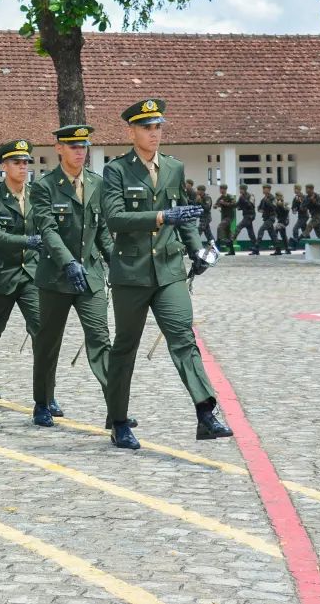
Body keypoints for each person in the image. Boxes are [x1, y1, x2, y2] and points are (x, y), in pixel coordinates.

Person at [102, 99, 232, 451]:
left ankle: (205, 413)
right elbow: (114, 218)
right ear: (131, 132)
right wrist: (160, 218)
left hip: (170, 271)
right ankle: (118, 421)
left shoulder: (173, 167)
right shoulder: (116, 171)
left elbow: (184, 214)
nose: (154, 133)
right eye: (147, 127)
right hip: (131, 273)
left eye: (158, 126)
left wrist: (196, 250)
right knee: (125, 348)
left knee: (183, 339)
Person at [30, 126, 118, 427]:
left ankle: (115, 409)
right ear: (59, 149)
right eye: (73, 146)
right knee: (48, 342)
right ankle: (42, 401)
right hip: (56, 277)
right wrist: (67, 262)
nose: (80, 152)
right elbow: (48, 229)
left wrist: (116, 263)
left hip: (90, 276)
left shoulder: (97, 183)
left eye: (83, 146)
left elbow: (102, 230)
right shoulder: (44, 186)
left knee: (101, 339)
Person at [0, 140, 42, 407]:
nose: (23, 167)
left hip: (31, 276)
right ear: (4, 166)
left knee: (42, 331)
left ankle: (46, 395)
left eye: (26, 162)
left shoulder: (37, 196)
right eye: (17, 162)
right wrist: (28, 241)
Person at [255, 184, 280, 254]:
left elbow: (274, 207)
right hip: (266, 218)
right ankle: (278, 249)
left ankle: (256, 246)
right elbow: (259, 208)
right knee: (272, 234)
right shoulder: (263, 199)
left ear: (269, 190)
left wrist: (267, 202)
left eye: (265, 188)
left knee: (261, 229)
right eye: (263, 188)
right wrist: (259, 209)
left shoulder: (272, 198)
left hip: (271, 217)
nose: (263, 190)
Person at [213, 184, 237, 254]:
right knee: (227, 233)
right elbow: (216, 205)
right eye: (220, 189)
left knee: (220, 227)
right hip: (224, 217)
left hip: (229, 217)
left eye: (222, 189)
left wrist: (224, 203)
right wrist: (215, 206)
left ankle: (221, 241)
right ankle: (232, 251)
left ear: (225, 189)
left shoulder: (230, 196)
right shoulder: (221, 197)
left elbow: (234, 204)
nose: (220, 190)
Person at [235, 184, 258, 254]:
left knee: (239, 226)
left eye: (241, 189)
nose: (240, 190)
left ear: (245, 189)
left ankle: (231, 240)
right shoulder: (241, 197)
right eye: (240, 189)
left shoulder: (251, 196)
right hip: (246, 215)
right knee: (251, 233)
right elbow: (237, 205)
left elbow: (250, 205)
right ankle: (256, 249)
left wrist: (243, 200)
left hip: (250, 215)